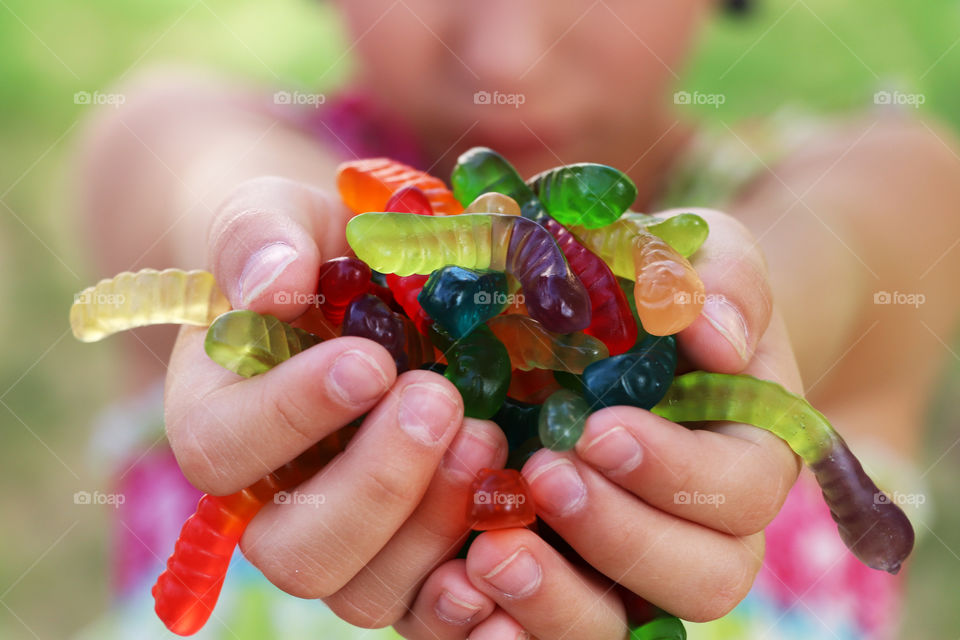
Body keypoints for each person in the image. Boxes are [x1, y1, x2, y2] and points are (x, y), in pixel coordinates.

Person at [75, 1, 960, 638]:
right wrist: (260, 247)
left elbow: (833, 244)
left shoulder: (890, 178)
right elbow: (186, 160)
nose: (506, 55)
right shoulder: (180, 128)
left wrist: (729, 310)